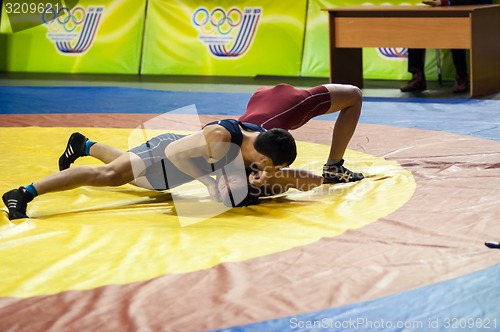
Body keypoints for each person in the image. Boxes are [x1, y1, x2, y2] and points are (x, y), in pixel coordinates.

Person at [2, 119, 297, 220]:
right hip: (165, 153)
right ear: (267, 158)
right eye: (274, 167)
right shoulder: (220, 137)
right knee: (110, 176)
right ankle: (24, 193)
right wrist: (209, 184)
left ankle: (84, 145)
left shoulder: (261, 138)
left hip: (166, 177)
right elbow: (173, 153)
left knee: (135, 177)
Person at [239, 83, 364, 184]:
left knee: (354, 95)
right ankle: (334, 166)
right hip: (260, 98)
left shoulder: (257, 151)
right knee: (354, 94)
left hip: (288, 103)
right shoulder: (234, 154)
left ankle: (334, 167)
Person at [400, 0, 491, 93]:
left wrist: (443, 2)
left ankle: (462, 77)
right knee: (417, 30)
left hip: (475, 9)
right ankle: (417, 77)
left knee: (455, 32)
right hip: (445, 10)